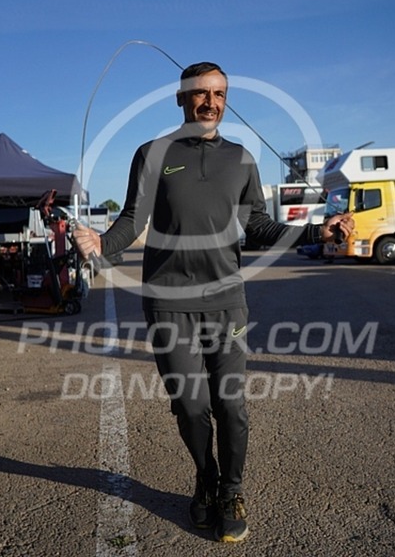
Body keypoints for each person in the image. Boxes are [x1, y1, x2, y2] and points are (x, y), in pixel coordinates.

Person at [74, 62, 354, 543]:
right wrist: (102, 243)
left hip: (226, 301)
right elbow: (133, 219)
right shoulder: (152, 153)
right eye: (201, 93)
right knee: (189, 405)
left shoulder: (242, 159)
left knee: (232, 405)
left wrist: (316, 232)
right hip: (168, 302)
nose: (211, 102)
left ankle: (231, 491)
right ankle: (206, 478)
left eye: (220, 94)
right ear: (181, 98)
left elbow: (259, 226)